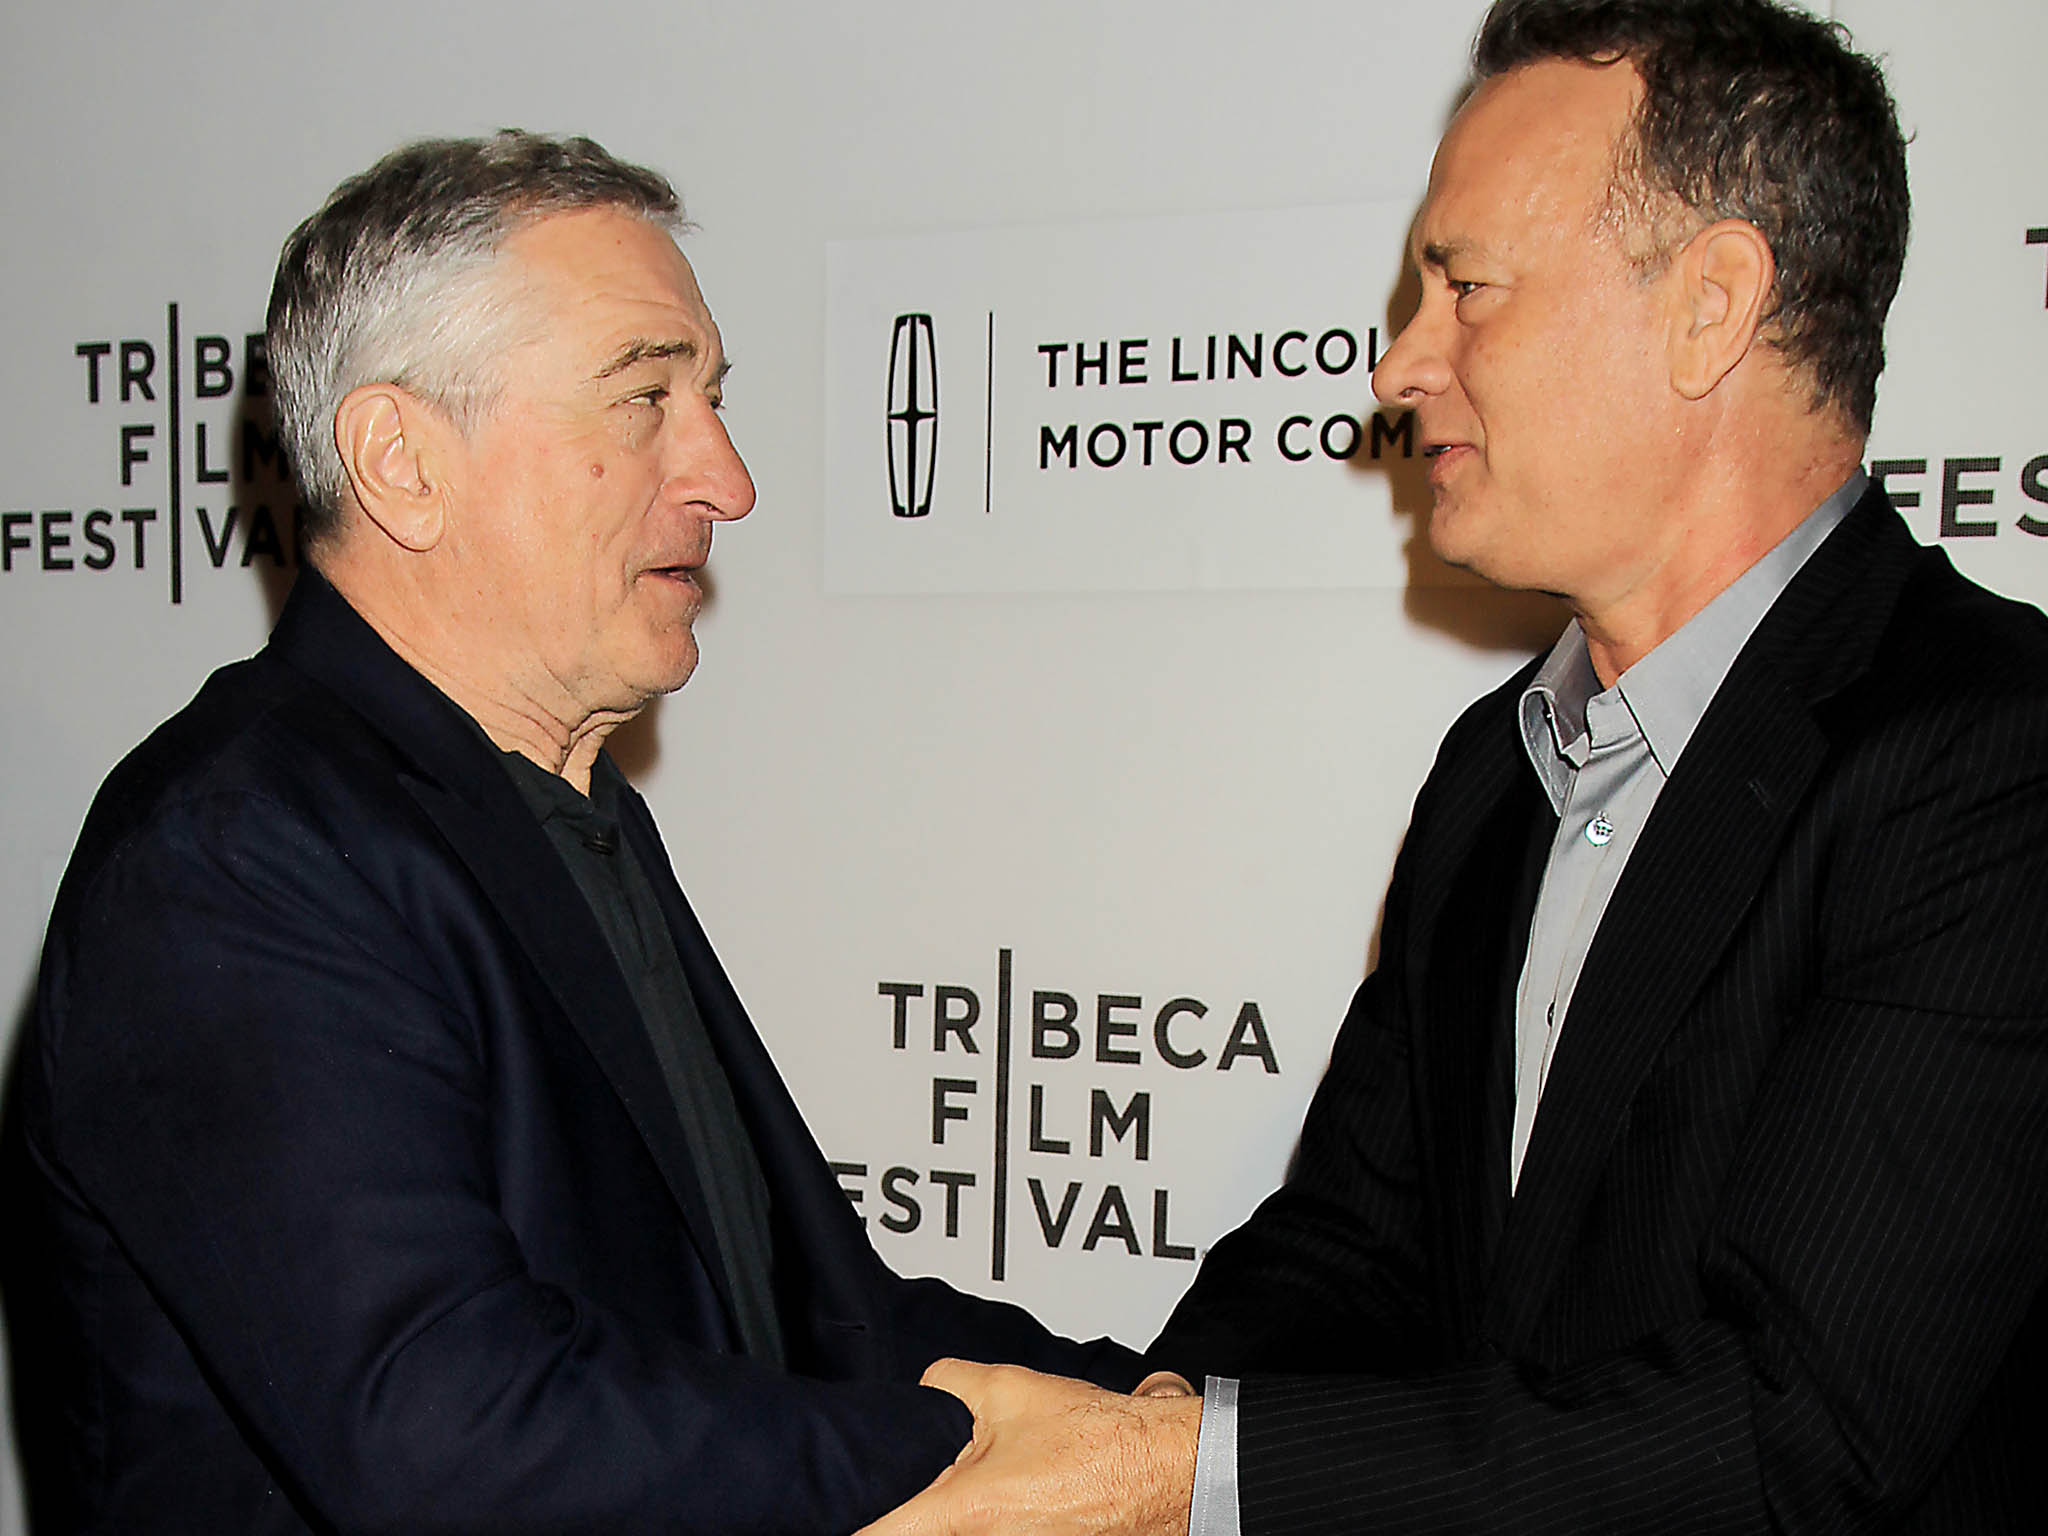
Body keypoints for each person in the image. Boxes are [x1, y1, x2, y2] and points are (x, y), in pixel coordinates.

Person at [859, 1, 2048, 1532]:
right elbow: (1352, 1260)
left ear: (1712, 305)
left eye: (1465, 285)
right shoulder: (1500, 766)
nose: (1401, 361)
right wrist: (1124, 1437)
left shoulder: (1989, 764)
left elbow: (1791, 1431)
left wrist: (1180, 1474)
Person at [2, 131, 1143, 1535]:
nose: (725, 478)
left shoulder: (566, 817)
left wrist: (1194, 1439)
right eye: (644, 398)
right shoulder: (233, 857)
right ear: (403, 462)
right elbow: (454, 1431)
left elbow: (816, 1317)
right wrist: (1001, 1470)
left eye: (713, 398)